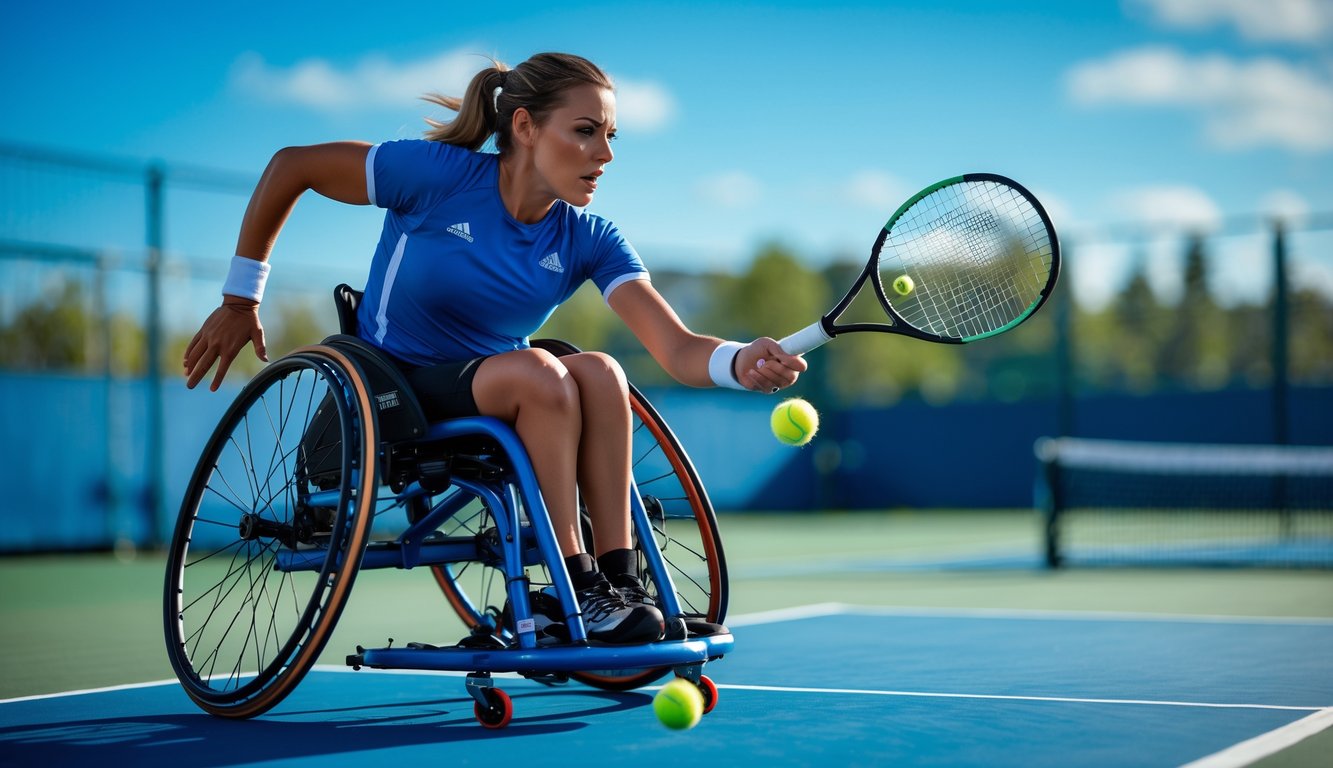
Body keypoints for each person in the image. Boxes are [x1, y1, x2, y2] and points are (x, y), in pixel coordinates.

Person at [183, 52, 807, 644]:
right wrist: (240, 300)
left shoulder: (589, 237)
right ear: (525, 127)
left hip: (494, 391)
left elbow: (678, 348)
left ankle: (616, 583)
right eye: (587, 131)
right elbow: (293, 164)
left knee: (601, 370)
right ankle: (579, 585)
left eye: (612, 136)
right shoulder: (435, 176)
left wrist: (739, 361)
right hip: (389, 387)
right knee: (542, 372)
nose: (605, 153)